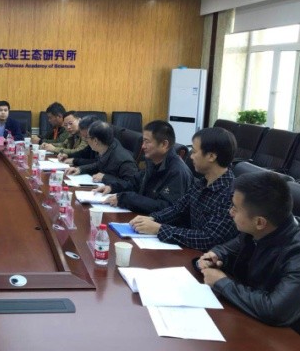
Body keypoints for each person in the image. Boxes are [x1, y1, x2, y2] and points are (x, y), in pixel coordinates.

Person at [197, 172, 300, 332]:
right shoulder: (258, 230)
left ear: (260, 222)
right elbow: (226, 249)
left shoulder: (296, 252)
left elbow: (274, 309)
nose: (230, 212)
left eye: (235, 209)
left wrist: (222, 282)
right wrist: (214, 257)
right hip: (247, 321)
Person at [130, 127, 238, 250]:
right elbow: (178, 208)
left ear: (211, 156)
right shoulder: (202, 183)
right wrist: (152, 218)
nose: (191, 156)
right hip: (190, 251)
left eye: (195, 151)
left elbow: (209, 238)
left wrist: (159, 229)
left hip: (206, 257)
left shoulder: (231, 194)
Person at [94, 120, 194, 214]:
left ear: (164, 144)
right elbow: (134, 183)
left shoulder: (178, 172)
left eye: (147, 142)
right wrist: (112, 187)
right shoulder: (153, 161)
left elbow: (167, 208)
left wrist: (127, 199)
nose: (143, 146)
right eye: (143, 141)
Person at [66, 121, 138, 188]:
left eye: (87, 137)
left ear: (95, 141)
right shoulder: (107, 147)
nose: (87, 140)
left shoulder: (124, 161)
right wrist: (80, 169)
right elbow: (99, 164)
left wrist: (105, 177)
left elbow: (132, 185)